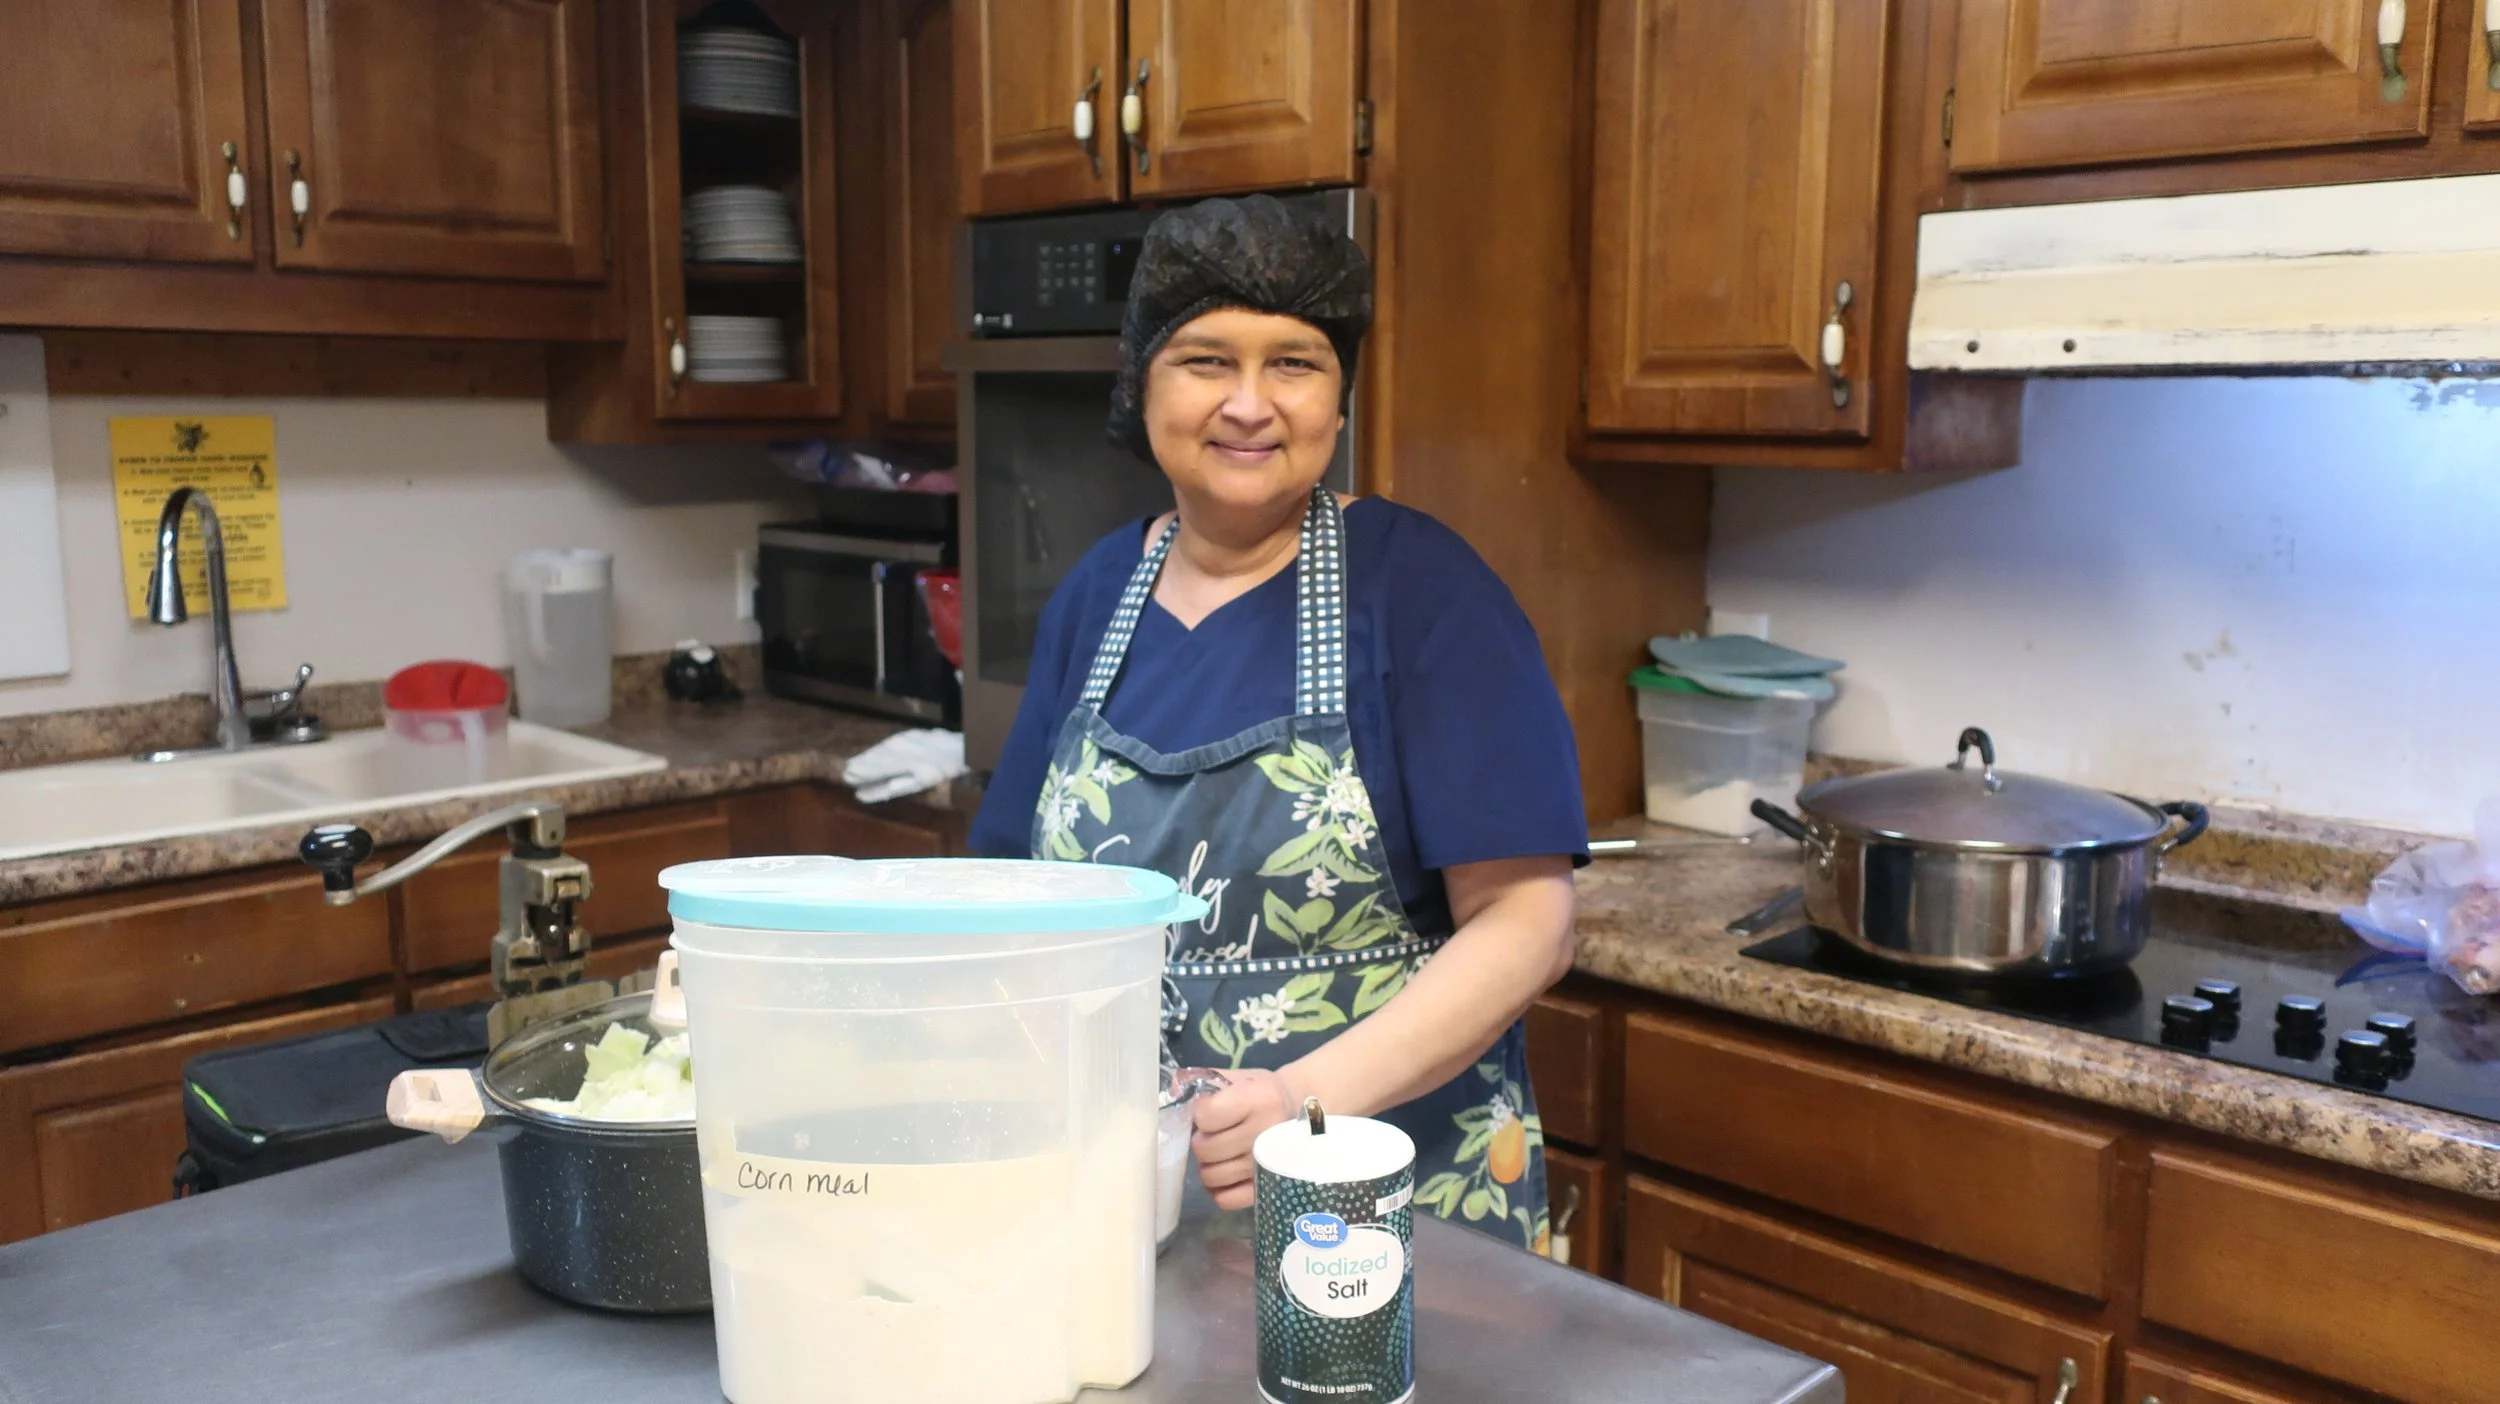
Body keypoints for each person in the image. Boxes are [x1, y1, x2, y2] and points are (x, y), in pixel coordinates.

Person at [968, 195, 1586, 1251]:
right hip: (1135, 1198)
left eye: (1293, 364)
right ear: (1142, 387)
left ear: (1338, 405)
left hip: (1386, 1200)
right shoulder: (1098, 592)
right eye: (1205, 360)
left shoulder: (1423, 589)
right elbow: (1008, 898)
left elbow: (1529, 922)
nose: (1249, 404)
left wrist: (1303, 1097)